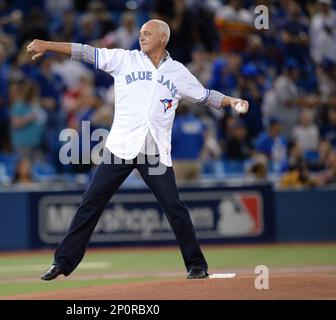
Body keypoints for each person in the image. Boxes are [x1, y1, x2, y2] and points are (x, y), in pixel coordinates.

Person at [27, 19, 249, 281]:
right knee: (90, 203)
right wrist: (48, 45)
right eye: (141, 33)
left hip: (153, 151)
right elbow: (86, 51)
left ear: (163, 38)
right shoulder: (125, 59)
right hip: (120, 147)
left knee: (174, 208)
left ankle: (196, 265)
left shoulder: (177, 72)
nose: (141, 37)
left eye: (147, 33)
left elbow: (205, 96)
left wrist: (232, 100)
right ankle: (62, 262)